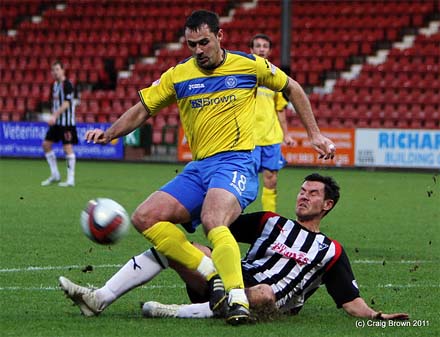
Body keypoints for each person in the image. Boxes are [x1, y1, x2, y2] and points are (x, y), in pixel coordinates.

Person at [82, 10, 335, 325]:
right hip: (199, 168)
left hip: (236, 163)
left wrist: (314, 134)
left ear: (220, 36)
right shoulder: (179, 75)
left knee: (213, 220)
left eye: (204, 42)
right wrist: (109, 133)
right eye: (192, 44)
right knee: (145, 217)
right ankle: (209, 274)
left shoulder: (249, 65)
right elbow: (142, 110)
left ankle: (237, 298)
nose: (198, 50)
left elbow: (293, 88)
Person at [59, 174, 408, 322]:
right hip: (227, 281)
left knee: (264, 293)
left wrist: (379, 319)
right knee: (180, 248)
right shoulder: (272, 222)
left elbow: (350, 301)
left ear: (328, 205)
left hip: (268, 300)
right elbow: (218, 224)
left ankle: (175, 312)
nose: (303, 196)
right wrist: (181, 211)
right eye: (302, 190)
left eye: (313, 193)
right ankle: (98, 298)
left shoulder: (330, 250)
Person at [249, 33, 294, 212]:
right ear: (251, 50)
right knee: (245, 182)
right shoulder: (244, 75)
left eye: (265, 46)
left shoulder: (274, 76)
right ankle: (236, 218)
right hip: (249, 139)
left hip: (271, 137)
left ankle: (270, 218)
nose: (261, 49)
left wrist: (286, 134)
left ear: (269, 50)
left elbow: (280, 108)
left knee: (271, 180)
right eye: (258, 46)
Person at [41, 60, 77, 187]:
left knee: (67, 148)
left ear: (63, 70)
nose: (55, 72)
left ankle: (70, 179)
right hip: (57, 123)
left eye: (57, 69)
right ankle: (55, 174)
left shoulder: (67, 85)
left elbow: (67, 103)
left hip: (66, 123)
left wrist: (54, 116)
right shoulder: (54, 85)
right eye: (53, 70)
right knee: (46, 145)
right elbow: (55, 103)